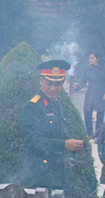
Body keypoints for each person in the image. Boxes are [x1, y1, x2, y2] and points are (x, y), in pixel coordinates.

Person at [20, 60, 85, 190]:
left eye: (57, 84)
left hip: (56, 171)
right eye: (49, 83)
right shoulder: (32, 107)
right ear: (41, 80)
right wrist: (64, 144)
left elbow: (55, 132)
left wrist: (72, 143)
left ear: (63, 82)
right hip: (38, 173)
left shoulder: (55, 103)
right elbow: (32, 141)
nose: (53, 89)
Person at [73, 51, 105, 138]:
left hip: (101, 95)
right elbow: (83, 82)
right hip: (90, 95)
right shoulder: (87, 69)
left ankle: (98, 135)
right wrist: (77, 87)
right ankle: (89, 134)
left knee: (100, 116)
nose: (90, 60)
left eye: (92, 58)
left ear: (98, 59)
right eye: (89, 58)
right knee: (87, 114)